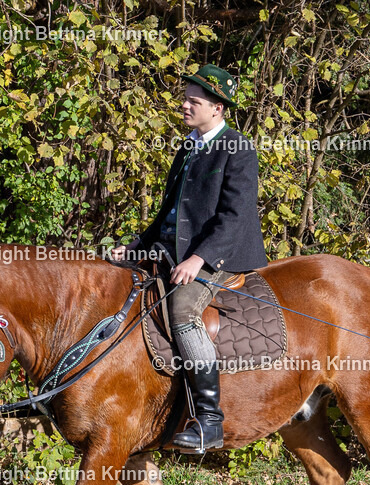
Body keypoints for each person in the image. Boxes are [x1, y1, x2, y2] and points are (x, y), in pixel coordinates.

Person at [111, 64, 267, 451]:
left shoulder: (238, 148)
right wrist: (135, 247)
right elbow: (169, 212)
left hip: (220, 258)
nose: (183, 106)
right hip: (172, 252)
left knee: (182, 310)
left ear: (217, 108)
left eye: (192, 101)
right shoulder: (187, 147)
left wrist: (199, 258)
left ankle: (210, 420)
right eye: (184, 98)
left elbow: (234, 217)